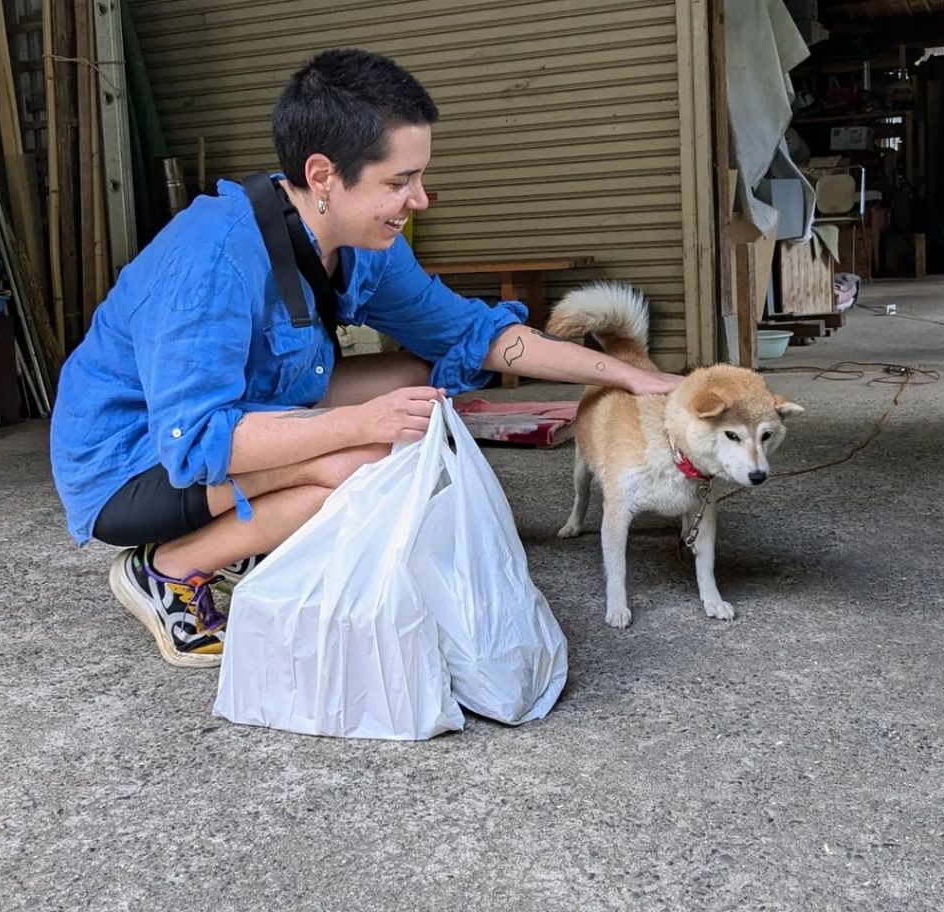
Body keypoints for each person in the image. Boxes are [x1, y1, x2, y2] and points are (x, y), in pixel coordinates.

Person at [50, 48, 683, 669]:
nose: (421, 199)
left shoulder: (363, 244)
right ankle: (165, 569)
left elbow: (468, 333)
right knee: (364, 461)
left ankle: (249, 535)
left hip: (250, 411)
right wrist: (360, 425)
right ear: (323, 175)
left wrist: (630, 374)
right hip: (133, 463)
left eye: (420, 176)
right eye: (399, 181)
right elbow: (195, 442)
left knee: (423, 379)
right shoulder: (211, 260)